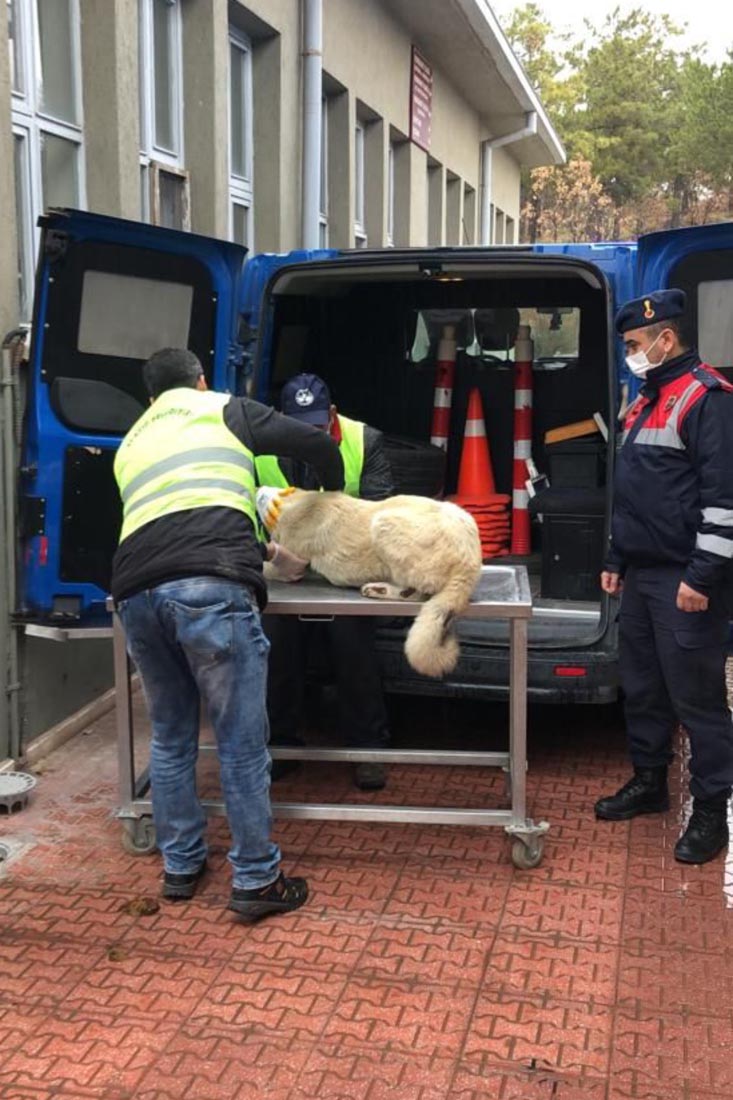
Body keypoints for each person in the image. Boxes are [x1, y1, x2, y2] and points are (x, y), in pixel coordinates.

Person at [111, 348, 344, 918]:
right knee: (240, 740)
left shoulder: (132, 441)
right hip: (210, 589)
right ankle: (257, 879)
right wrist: (335, 502)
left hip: (136, 592)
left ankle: (182, 865)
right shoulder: (222, 409)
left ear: (150, 399)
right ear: (201, 379)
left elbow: (179, 516)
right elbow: (317, 444)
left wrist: (263, 550)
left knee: (170, 737)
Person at [596, 289, 733, 863]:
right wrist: (614, 557)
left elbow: (723, 501)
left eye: (633, 345)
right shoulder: (642, 401)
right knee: (644, 689)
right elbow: (632, 493)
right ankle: (649, 782)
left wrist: (701, 578)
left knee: (698, 701)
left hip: (686, 580)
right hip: (644, 576)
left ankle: (710, 811)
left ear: (664, 339)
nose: (630, 354)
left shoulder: (708, 399)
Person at [256, 372, 394, 790]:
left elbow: (380, 513)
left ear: (331, 415)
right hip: (281, 569)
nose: (308, 437)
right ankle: (280, 746)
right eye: (298, 428)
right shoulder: (260, 448)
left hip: (345, 570)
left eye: (316, 427)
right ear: (281, 420)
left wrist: (329, 554)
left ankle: (369, 749)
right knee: (274, 644)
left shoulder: (364, 440)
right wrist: (276, 556)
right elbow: (243, 511)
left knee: (353, 646)